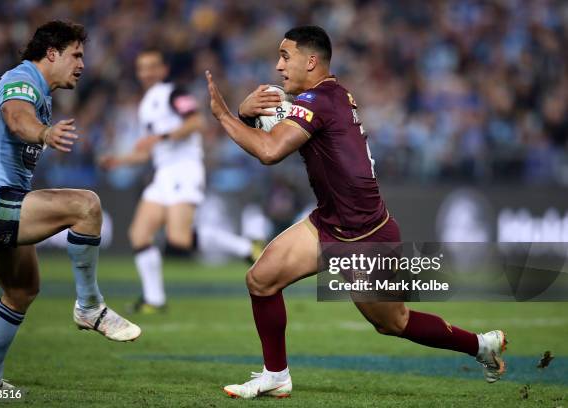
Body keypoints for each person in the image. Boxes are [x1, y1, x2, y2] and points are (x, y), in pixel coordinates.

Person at [205, 25, 507, 399]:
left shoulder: (318, 101)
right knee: (261, 280)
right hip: (329, 223)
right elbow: (275, 135)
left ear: (311, 60)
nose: (278, 67)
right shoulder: (325, 97)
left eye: (285, 56)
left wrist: (223, 115)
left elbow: (270, 151)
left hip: (366, 236)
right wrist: (244, 114)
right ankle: (276, 375)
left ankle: (480, 345)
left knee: (394, 323)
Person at [0, 20, 141, 390]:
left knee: (22, 291)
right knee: (86, 206)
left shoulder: (38, 89)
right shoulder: (23, 80)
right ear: (52, 53)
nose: (82, 64)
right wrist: (43, 132)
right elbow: (15, 117)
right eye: (76, 54)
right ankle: (90, 306)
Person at [100, 49, 262, 313]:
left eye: (152, 66)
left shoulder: (175, 93)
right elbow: (147, 151)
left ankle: (245, 246)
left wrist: (162, 138)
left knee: (180, 239)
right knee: (139, 233)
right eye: (142, 67)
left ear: (163, 70)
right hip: (163, 173)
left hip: (185, 169)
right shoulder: (145, 104)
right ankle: (154, 299)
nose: (147, 72)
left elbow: (196, 122)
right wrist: (119, 161)